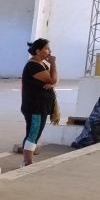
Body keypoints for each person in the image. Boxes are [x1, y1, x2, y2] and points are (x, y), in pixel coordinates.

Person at [20, 38, 58, 166]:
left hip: (40, 106)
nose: (50, 51)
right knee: (34, 132)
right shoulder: (33, 65)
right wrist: (53, 63)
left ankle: (27, 159)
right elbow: (53, 79)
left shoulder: (41, 64)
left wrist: (51, 84)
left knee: (35, 132)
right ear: (38, 51)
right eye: (47, 48)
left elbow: (54, 80)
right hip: (34, 106)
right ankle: (27, 161)